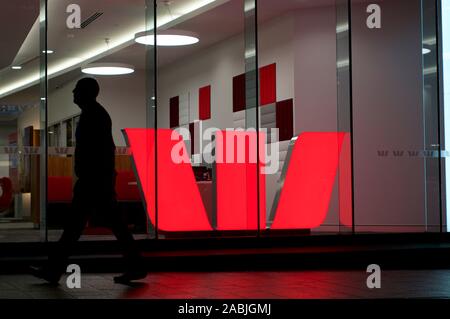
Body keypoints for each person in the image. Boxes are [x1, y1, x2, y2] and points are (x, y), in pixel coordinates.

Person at [31, 77, 146, 285]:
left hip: (94, 182)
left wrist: (95, 177)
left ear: (86, 92)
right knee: (94, 226)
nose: (73, 93)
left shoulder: (94, 115)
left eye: (76, 90)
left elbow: (101, 151)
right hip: (96, 181)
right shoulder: (94, 114)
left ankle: (53, 270)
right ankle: (136, 266)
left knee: (77, 227)